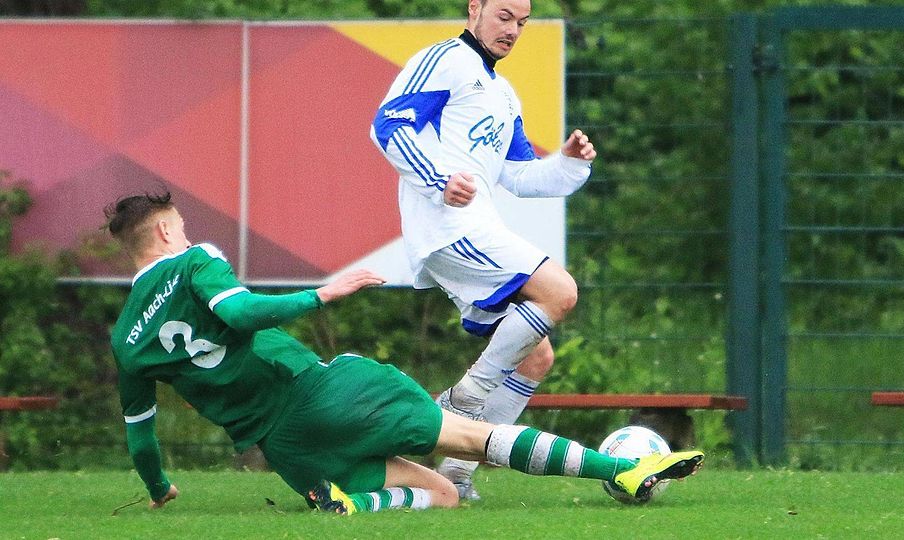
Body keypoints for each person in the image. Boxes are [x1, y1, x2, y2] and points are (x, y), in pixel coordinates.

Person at [106, 191, 703, 514]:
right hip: (323, 393)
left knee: (441, 496)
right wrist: (321, 294)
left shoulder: (125, 340)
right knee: (470, 437)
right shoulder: (193, 260)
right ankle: (624, 470)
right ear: (164, 232)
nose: (183, 234)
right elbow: (238, 313)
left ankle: (356, 503)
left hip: (286, 450)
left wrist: (160, 491)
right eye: (179, 227)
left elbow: (141, 438)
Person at [370, 0, 596, 499]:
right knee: (559, 291)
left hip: (472, 226)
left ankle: (453, 474)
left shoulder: (504, 93)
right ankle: (463, 400)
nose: (513, 30)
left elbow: (519, 174)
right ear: (475, 8)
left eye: (522, 22)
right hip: (447, 227)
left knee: (536, 357)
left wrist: (568, 163)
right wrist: (438, 179)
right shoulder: (445, 60)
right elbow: (388, 124)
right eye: (503, 16)